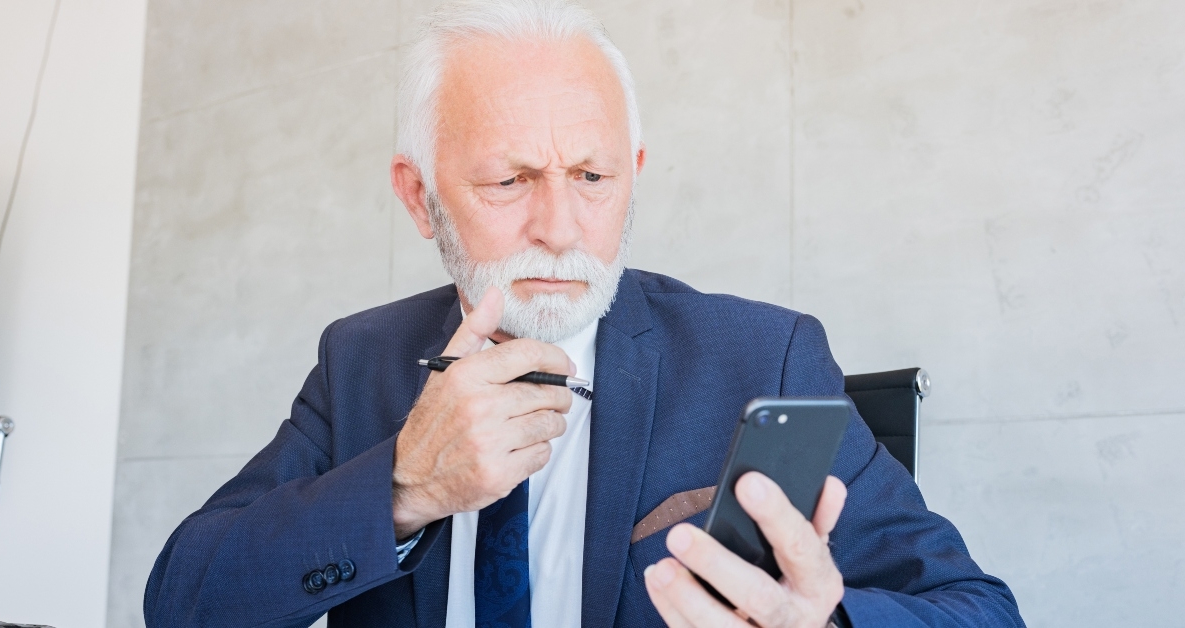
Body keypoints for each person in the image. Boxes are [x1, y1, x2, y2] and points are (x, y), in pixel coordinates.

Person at [144, 1, 1025, 627]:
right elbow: (183, 602)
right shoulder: (361, 361)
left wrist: (824, 626)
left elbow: (981, 610)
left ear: (633, 172)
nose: (561, 231)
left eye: (593, 179)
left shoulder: (765, 357)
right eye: (508, 180)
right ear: (420, 199)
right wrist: (404, 488)